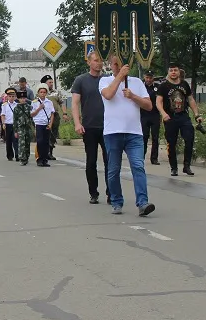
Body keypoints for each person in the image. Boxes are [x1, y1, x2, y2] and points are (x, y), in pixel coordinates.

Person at [100, 54, 156, 216]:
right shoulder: (105, 81)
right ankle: (117, 202)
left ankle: (143, 203)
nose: (119, 67)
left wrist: (133, 96)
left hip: (134, 133)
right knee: (113, 169)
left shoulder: (137, 82)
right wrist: (119, 77)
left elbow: (148, 106)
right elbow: (108, 95)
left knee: (138, 167)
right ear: (110, 65)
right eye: (115, 64)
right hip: (113, 132)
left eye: (122, 64)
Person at [71, 51, 109, 204]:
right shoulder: (81, 80)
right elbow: (75, 103)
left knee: (110, 161)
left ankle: (111, 192)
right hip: (89, 126)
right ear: (89, 62)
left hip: (107, 126)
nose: (98, 63)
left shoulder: (107, 79)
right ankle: (93, 192)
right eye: (95, 60)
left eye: (100, 61)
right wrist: (77, 123)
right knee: (91, 160)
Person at [156, 62, 202, 177]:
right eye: (171, 70)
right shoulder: (163, 86)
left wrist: (197, 114)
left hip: (183, 116)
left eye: (175, 70)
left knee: (189, 138)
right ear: (168, 72)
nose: (173, 72)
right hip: (170, 117)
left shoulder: (184, 84)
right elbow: (158, 102)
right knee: (171, 143)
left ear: (179, 71)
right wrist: (163, 113)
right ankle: (174, 167)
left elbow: (190, 100)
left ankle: (187, 166)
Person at [41, 75, 66, 160]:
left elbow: (62, 103)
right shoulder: (41, 93)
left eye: (52, 82)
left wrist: (64, 113)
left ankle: (50, 152)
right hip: (44, 116)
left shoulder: (56, 92)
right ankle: (44, 152)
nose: (51, 84)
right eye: (49, 82)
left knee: (53, 134)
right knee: (45, 134)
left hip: (54, 115)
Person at [30, 85, 55, 167]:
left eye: (44, 92)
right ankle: (39, 159)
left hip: (46, 124)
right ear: (38, 93)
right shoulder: (34, 102)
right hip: (39, 124)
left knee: (46, 142)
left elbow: (52, 114)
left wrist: (50, 124)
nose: (43, 94)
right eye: (41, 92)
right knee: (40, 141)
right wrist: (39, 108)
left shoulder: (49, 102)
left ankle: (45, 159)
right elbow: (32, 114)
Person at [141, 71, 161, 165]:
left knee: (155, 137)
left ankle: (154, 158)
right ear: (144, 77)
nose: (148, 80)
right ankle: (142, 157)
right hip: (144, 115)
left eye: (150, 78)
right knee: (144, 137)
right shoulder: (141, 86)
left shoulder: (157, 87)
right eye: (147, 77)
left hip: (155, 115)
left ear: (153, 78)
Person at [13, 90, 34, 165]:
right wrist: (15, 131)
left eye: (23, 98)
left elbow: (32, 117)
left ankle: (27, 156)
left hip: (28, 127)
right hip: (20, 127)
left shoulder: (29, 107)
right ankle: (22, 158)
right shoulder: (16, 108)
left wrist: (33, 127)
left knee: (27, 143)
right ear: (18, 99)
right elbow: (15, 119)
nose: (22, 99)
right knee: (21, 143)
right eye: (21, 98)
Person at [0, 88, 18, 161]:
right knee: (9, 141)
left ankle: (17, 155)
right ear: (7, 97)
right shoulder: (4, 105)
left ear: (15, 97)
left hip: (15, 125)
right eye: (10, 96)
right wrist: (3, 123)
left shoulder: (17, 105)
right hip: (8, 124)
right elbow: (3, 115)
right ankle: (10, 155)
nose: (11, 98)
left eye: (13, 96)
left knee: (16, 140)